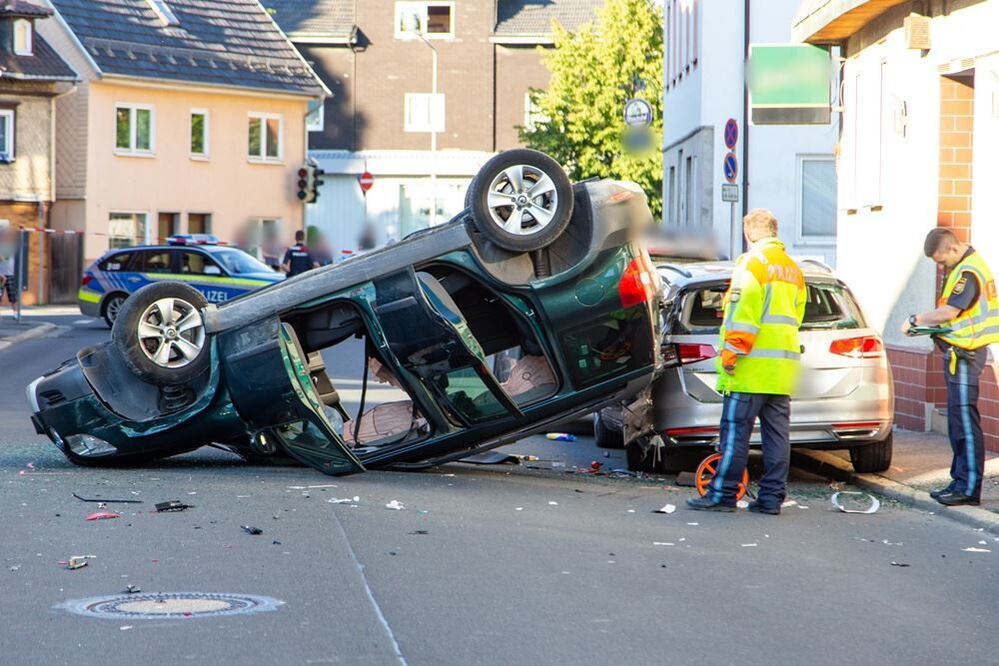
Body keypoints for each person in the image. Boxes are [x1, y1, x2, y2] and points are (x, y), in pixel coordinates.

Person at [687, 209, 806, 515]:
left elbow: (744, 317)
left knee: (735, 433)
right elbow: (797, 317)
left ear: (749, 233)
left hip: (750, 368)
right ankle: (771, 499)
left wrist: (730, 355)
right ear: (774, 231)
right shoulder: (793, 270)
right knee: (777, 437)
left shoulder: (752, 265)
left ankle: (722, 494)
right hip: (782, 371)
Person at [902, 229, 999, 506]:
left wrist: (916, 320)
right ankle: (959, 480)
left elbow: (950, 312)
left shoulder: (968, 272)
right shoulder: (963, 267)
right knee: (958, 423)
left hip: (967, 355)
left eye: (942, 261)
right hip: (960, 353)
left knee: (965, 423)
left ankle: (968, 488)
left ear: (954, 249)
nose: (941, 267)